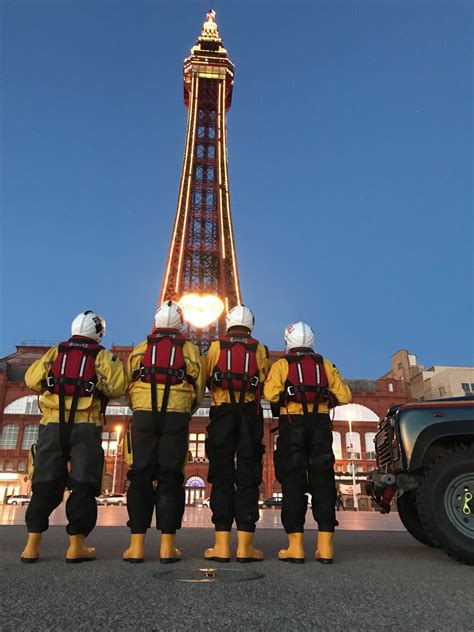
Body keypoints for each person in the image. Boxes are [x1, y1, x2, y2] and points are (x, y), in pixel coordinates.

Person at [21, 311, 127, 563]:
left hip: (52, 426)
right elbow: (119, 387)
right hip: (85, 427)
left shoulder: (56, 352)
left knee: (44, 482)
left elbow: (31, 380)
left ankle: (31, 546)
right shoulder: (102, 355)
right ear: (99, 332)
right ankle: (76, 546)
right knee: (83, 484)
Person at [123, 301, 205, 563]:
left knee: (140, 475)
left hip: (144, 414)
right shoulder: (190, 350)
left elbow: (127, 383)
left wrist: (137, 406)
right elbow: (200, 387)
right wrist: (187, 408)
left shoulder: (141, 348)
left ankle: (136, 547)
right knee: (171, 476)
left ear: (156, 323)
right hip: (176, 415)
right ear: (180, 324)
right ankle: (168, 547)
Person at [263, 322, 352, 564]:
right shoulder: (325, 365)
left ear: (287, 342)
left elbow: (269, 394)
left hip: (292, 427)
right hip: (320, 427)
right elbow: (345, 396)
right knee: (323, 482)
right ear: (312, 341)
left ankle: (296, 547)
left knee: (293, 484)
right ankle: (325, 548)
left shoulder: (282, 365)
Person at [204, 305, 270, 563]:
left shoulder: (216, 347)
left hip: (222, 414)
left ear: (228, 323)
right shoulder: (260, 349)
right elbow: (265, 379)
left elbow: (205, 377)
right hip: (250, 415)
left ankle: (220, 545)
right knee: (248, 477)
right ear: (251, 324)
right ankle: (245, 546)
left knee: (220, 477)